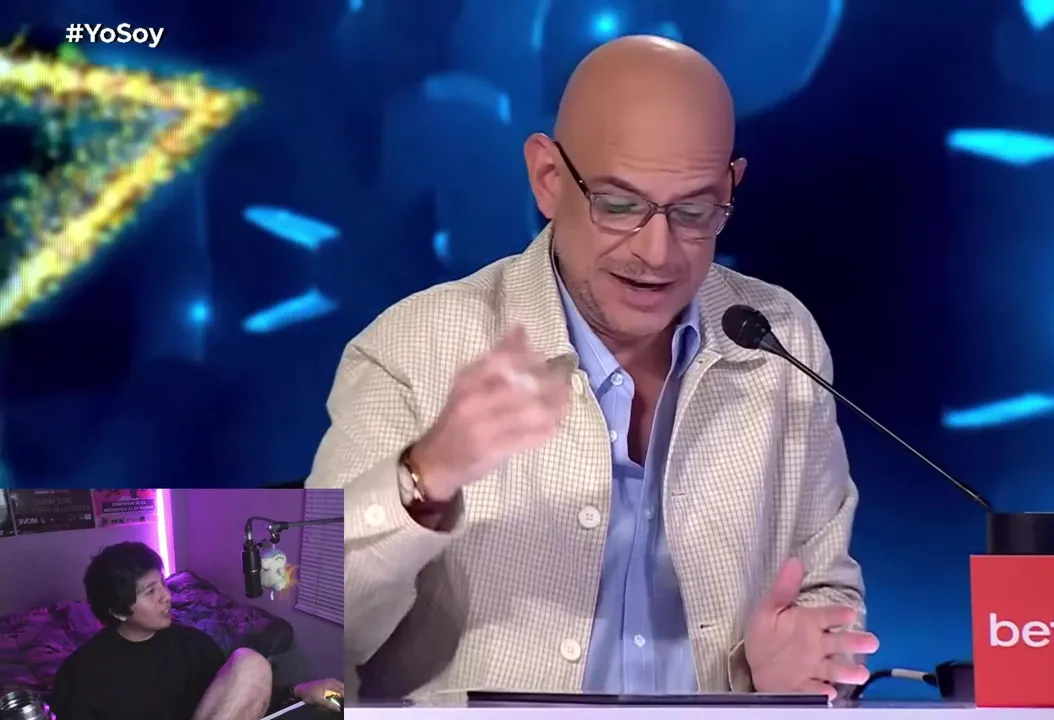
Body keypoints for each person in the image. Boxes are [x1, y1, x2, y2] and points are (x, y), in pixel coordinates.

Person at [313, 35, 878, 702]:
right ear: (548, 178)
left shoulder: (779, 342)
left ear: (731, 188)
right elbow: (309, 627)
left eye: (694, 210)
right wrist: (426, 476)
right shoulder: (417, 347)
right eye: (620, 205)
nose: (657, 252)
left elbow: (825, 594)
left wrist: (801, 673)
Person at [50, 541, 344, 720]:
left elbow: (234, 699)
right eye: (151, 591)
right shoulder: (82, 673)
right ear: (118, 611)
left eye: (163, 584)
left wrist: (298, 691)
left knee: (251, 662)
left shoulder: (191, 645)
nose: (167, 596)